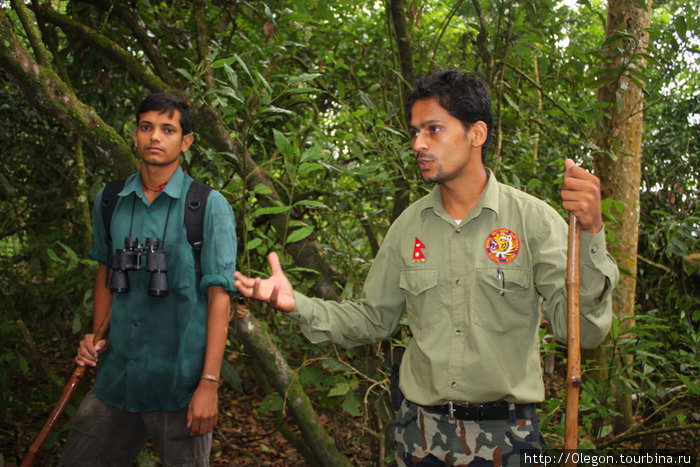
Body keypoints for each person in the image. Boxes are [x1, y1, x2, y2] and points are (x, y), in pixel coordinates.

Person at [234, 70, 619, 466]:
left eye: (434, 129)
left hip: (508, 440)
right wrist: (296, 303)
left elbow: (583, 333)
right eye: (415, 131)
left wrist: (590, 232)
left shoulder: (533, 222)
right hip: (419, 437)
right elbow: (372, 318)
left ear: (477, 134)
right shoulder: (408, 227)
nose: (418, 144)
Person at [59, 93, 238, 466]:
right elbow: (106, 271)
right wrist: (96, 338)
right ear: (135, 135)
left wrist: (209, 383)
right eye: (146, 127)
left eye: (167, 129)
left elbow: (220, 296)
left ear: (185, 142)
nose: (155, 137)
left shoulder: (207, 206)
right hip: (116, 381)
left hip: (179, 386)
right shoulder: (110, 200)